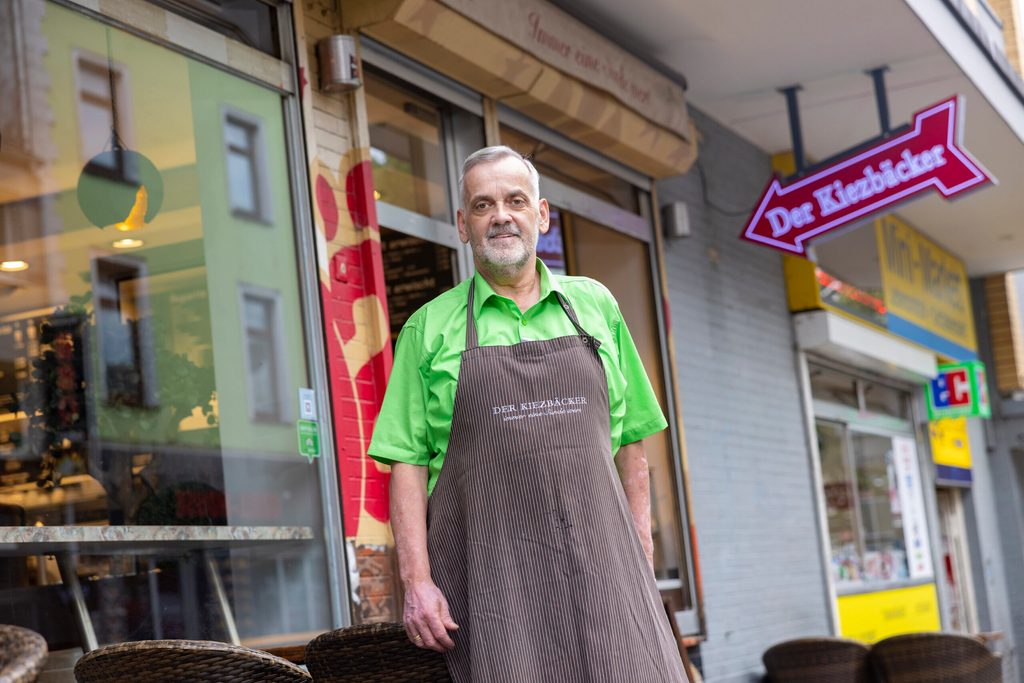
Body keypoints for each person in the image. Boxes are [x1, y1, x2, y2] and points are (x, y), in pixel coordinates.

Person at [368, 146, 690, 682]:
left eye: (516, 200)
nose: (501, 215)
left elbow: (631, 437)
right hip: (493, 585)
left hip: (604, 570)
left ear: (540, 215)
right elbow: (405, 461)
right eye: (482, 205)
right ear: (462, 226)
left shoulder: (595, 305)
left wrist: (639, 544)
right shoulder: (429, 328)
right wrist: (417, 582)